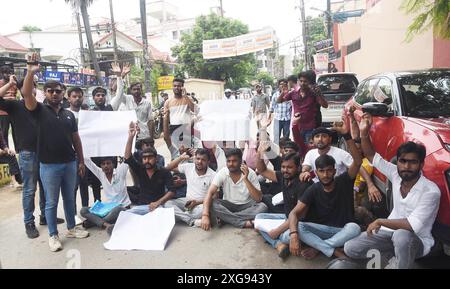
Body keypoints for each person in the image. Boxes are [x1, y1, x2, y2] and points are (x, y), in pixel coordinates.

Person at [344, 113, 441, 269]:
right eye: (402, 161)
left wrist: (380, 221)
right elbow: (370, 155)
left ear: (421, 164)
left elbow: (411, 225)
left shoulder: (430, 191)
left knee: (401, 236)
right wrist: (364, 133)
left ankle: (401, 262)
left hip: (416, 241)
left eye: (413, 162)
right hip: (389, 234)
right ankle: (395, 257)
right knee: (351, 248)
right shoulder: (396, 173)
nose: (406, 167)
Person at [22, 53, 89, 252]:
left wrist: (81, 161)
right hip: (48, 166)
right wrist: (30, 71)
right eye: (50, 91)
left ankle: (71, 228)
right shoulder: (39, 110)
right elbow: (26, 94)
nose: (54, 94)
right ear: (45, 93)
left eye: (57, 91)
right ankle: (53, 235)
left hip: (69, 163)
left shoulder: (69, 115)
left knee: (69, 198)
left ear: (63, 93)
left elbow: (76, 139)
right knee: (51, 203)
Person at [283, 121, 362, 260]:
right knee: (298, 227)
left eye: (329, 171)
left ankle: (319, 248)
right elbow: (294, 213)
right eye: (321, 171)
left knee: (354, 228)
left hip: (343, 230)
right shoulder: (313, 188)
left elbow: (357, 161)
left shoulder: (343, 181)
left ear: (334, 171)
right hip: (322, 230)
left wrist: (346, 135)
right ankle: (333, 250)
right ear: (316, 172)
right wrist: (294, 234)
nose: (325, 175)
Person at [255, 142, 313, 259]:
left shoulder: (304, 184)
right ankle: (279, 244)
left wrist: (277, 231)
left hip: (300, 223)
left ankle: (279, 242)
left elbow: (299, 215)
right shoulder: (283, 177)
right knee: (258, 220)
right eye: (283, 167)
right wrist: (259, 154)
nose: (285, 170)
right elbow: (262, 170)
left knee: (285, 236)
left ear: (298, 168)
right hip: (286, 217)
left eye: (289, 167)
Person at [201, 149, 268, 230]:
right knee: (212, 203)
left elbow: (258, 199)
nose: (231, 164)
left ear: (241, 161)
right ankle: (243, 223)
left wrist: (245, 179)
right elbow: (210, 193)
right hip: (228, 205)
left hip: (246, 206)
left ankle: (225, 218)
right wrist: (205, 215)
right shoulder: (222, 172)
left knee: (263, 207)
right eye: (228, 161)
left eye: (234, 161)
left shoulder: (251, 173)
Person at [124, 122, 176, 213]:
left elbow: (172, 191)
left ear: (156, 159)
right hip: (142, 206)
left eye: (150, 157)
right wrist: (131, 137)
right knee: (126, 214)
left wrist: (158, 203)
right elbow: (128, 157)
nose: (147, 160)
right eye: (144, 158)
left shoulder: (164, 172)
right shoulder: (140, 169)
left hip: (159, 207)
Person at [278, 73, 328, 156]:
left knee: (309, 149)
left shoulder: (313, 93)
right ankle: (301, 165)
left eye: (305, 81)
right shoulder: (293, 93)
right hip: (297, 127)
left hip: (310, 127)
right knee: (298, 149)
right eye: (301, 81)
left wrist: (319, 94)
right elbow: (279, 101)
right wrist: (283, 92)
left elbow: (325, 105)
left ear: (308, 82)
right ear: (298, 81)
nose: (302, 83)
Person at [165, 148, 216, 226]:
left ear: (208, 162)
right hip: (186, 201)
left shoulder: (213, 175)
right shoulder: (188, 167)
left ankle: (183, 216)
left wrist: (197, 203)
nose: (199, 162)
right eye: (198, 158)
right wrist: (180, 158)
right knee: (167, 204)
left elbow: (215, 197)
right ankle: (192, 221)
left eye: (203, 160)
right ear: (194, 158)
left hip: (201, 204)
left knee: (204, 210)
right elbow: (168, 168)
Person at [80, 156, 131, 231]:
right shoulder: (101, 173)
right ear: (101, 166)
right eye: (103, 164)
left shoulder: (120, 171)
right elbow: (87, 161)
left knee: (118, 209)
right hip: (107, 209)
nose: (106, 166)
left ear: (113, 164)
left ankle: (93, 222)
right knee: (83, 210)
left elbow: (128, 157)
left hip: (122, 207)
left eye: (108, 163)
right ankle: (106, 224)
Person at [111, 62, 154, 140]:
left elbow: (150, 121)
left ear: (141, 90)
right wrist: (122, 75)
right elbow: (115, 89)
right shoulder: (127, 99)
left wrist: (151, 137)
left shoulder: (147, 103)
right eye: (134, 89)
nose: (136, 91)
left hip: (144, 136)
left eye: (138, 89)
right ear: (131, 90)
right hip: (130, 136)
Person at [67, 87, 90, 220]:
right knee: (73, 186)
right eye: (74, 96)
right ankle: (73, 214)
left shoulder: (87, 115)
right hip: (71, 156)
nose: (77, 99)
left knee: (84, 184)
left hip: (86, 154)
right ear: (69, 98)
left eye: (79, 96)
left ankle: (85, 211)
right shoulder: (65, 114)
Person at [163, 78, 196, 150]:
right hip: (173, 128)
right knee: (176, 151)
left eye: (178, 86)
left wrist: (185, 96)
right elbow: (166, 118)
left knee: (187, 151)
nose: (176, 88)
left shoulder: (188, 98)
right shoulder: (168, 102)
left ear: (182, 87)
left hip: (186, 128)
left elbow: (194, 110)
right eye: (174, 86)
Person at [268, 79, 291, 145]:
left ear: (287, 85)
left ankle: (285, 152)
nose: (283, 85)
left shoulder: (290, 94)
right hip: (277, 119)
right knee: (276, 136)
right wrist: (269, 118)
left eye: (284, 84)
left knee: (286, 137)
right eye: (281, 84)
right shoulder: (275, 94)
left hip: (287, 119)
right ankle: (276, 151)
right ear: (279, 86)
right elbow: (272, 106)